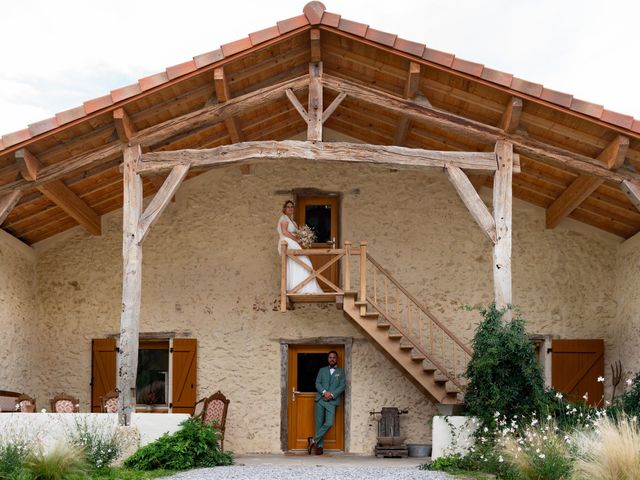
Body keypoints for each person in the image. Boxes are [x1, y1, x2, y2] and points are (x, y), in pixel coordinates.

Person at [277, 200, 322, 294]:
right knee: (302, 261)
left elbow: (296, 234)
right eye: (288, 207)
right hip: (287, 243)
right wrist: (296, 239)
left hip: (292, 242)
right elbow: (285, 232)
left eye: (292, 207)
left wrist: (304, 238)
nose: (290, 208)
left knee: (300, 263)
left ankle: (301, 288)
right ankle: (298, 288)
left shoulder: (293, 222)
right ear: (284, 209)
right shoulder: (284, 218)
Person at [307, 350, 346, 455]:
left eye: (334, 357)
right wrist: (324, 392)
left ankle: (313, 440)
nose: (332, 359)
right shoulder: (322, 370)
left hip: (331, 401)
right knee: (318, 424)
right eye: (330, 357)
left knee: (329, 423)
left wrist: (332, 394)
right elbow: (317, 383)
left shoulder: (341, 372)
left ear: (336, 359)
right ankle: (319, 447)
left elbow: (342, 386)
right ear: (328, 359)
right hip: (320, 399)